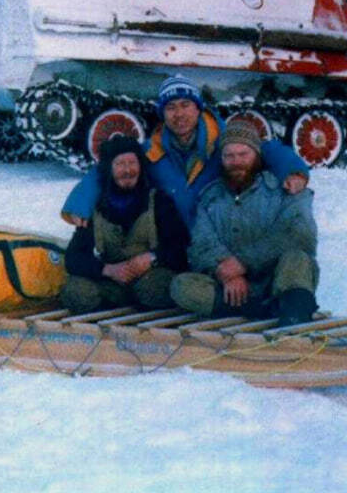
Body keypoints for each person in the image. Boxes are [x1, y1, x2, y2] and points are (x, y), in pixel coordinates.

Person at [61, 75, 309, 230]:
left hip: (223, 241)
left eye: (185, 105)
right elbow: (109, 168)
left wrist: (293, 171)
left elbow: (267, 149)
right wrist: (80, 202)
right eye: (170, 107)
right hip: (176, 244)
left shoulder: (224, 141)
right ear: (162, 113)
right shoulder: (152, 152)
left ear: (198, 108)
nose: (179, 114)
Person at [170, 120, 318, 327]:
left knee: (298, 259)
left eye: (243, 154)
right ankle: (263, 308)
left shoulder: (285, 189)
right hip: (230, 286)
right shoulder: (210, 197)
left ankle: (293, 318)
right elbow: (201, 244)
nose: (236, 162)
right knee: (181, 286)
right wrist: (225, 271)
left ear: (257, 155)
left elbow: (300, 235)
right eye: (229, 156)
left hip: (277, 279)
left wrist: (243, 262)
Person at [59, 134, 190, 313]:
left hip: (150, 277)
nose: (127, 170)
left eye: (132, 163)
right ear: (109, 169)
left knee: (156, 288)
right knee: (76, 291)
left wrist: (152, 258)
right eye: (120, 164)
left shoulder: (158, 200)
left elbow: (180, 247)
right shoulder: (95, 205)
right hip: (112, 279)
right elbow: (74, 257)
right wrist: (107, 270)